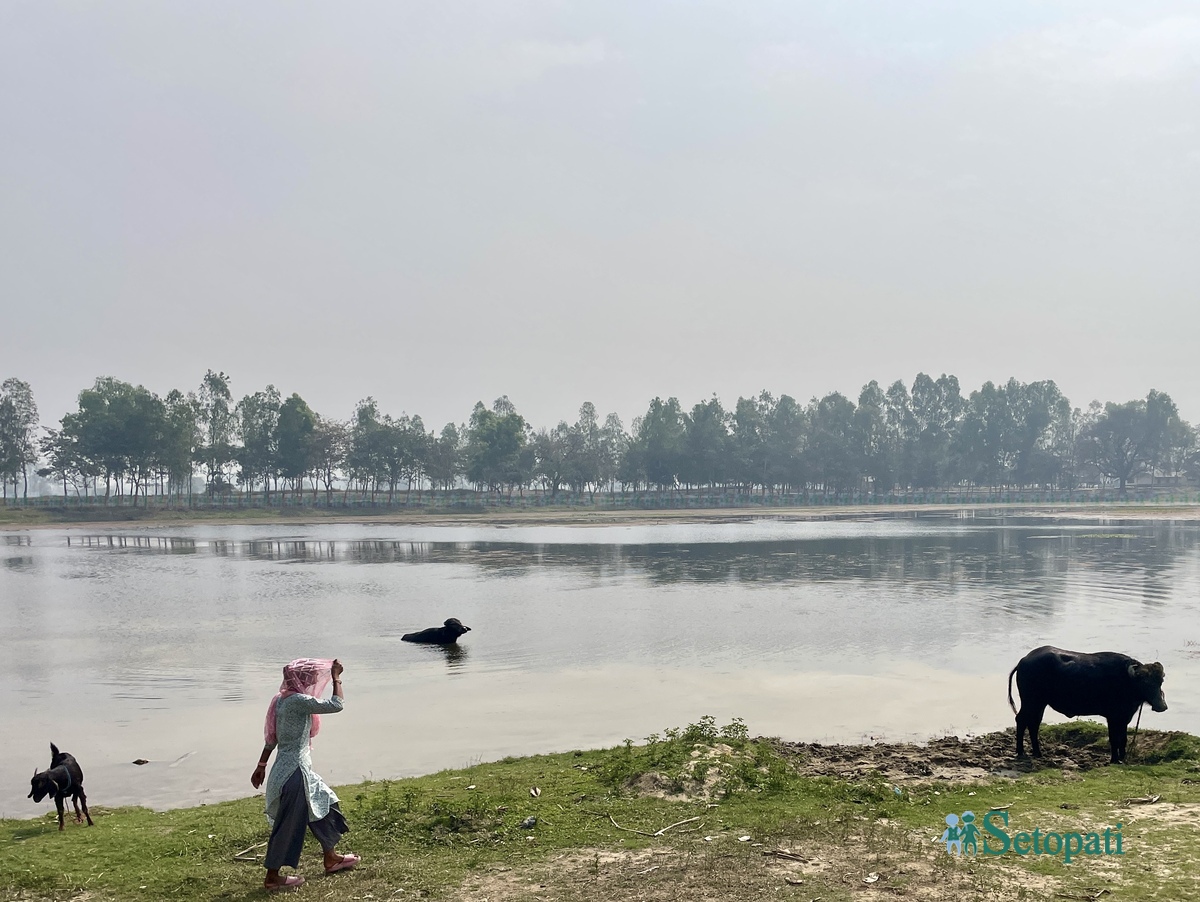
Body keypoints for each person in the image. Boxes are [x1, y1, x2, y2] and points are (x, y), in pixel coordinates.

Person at [251, 657, 359, 892]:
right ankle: (272, 878)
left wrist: (261, 765)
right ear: (300, 679)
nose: (312, 680)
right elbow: (336, 705)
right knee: (289, 824)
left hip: (292, 769)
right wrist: (337, 677)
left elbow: (272, 738)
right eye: (309, 677)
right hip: (294, 772)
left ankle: (331, 858)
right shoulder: (297, 701)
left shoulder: (280, 700)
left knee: (326, 805)